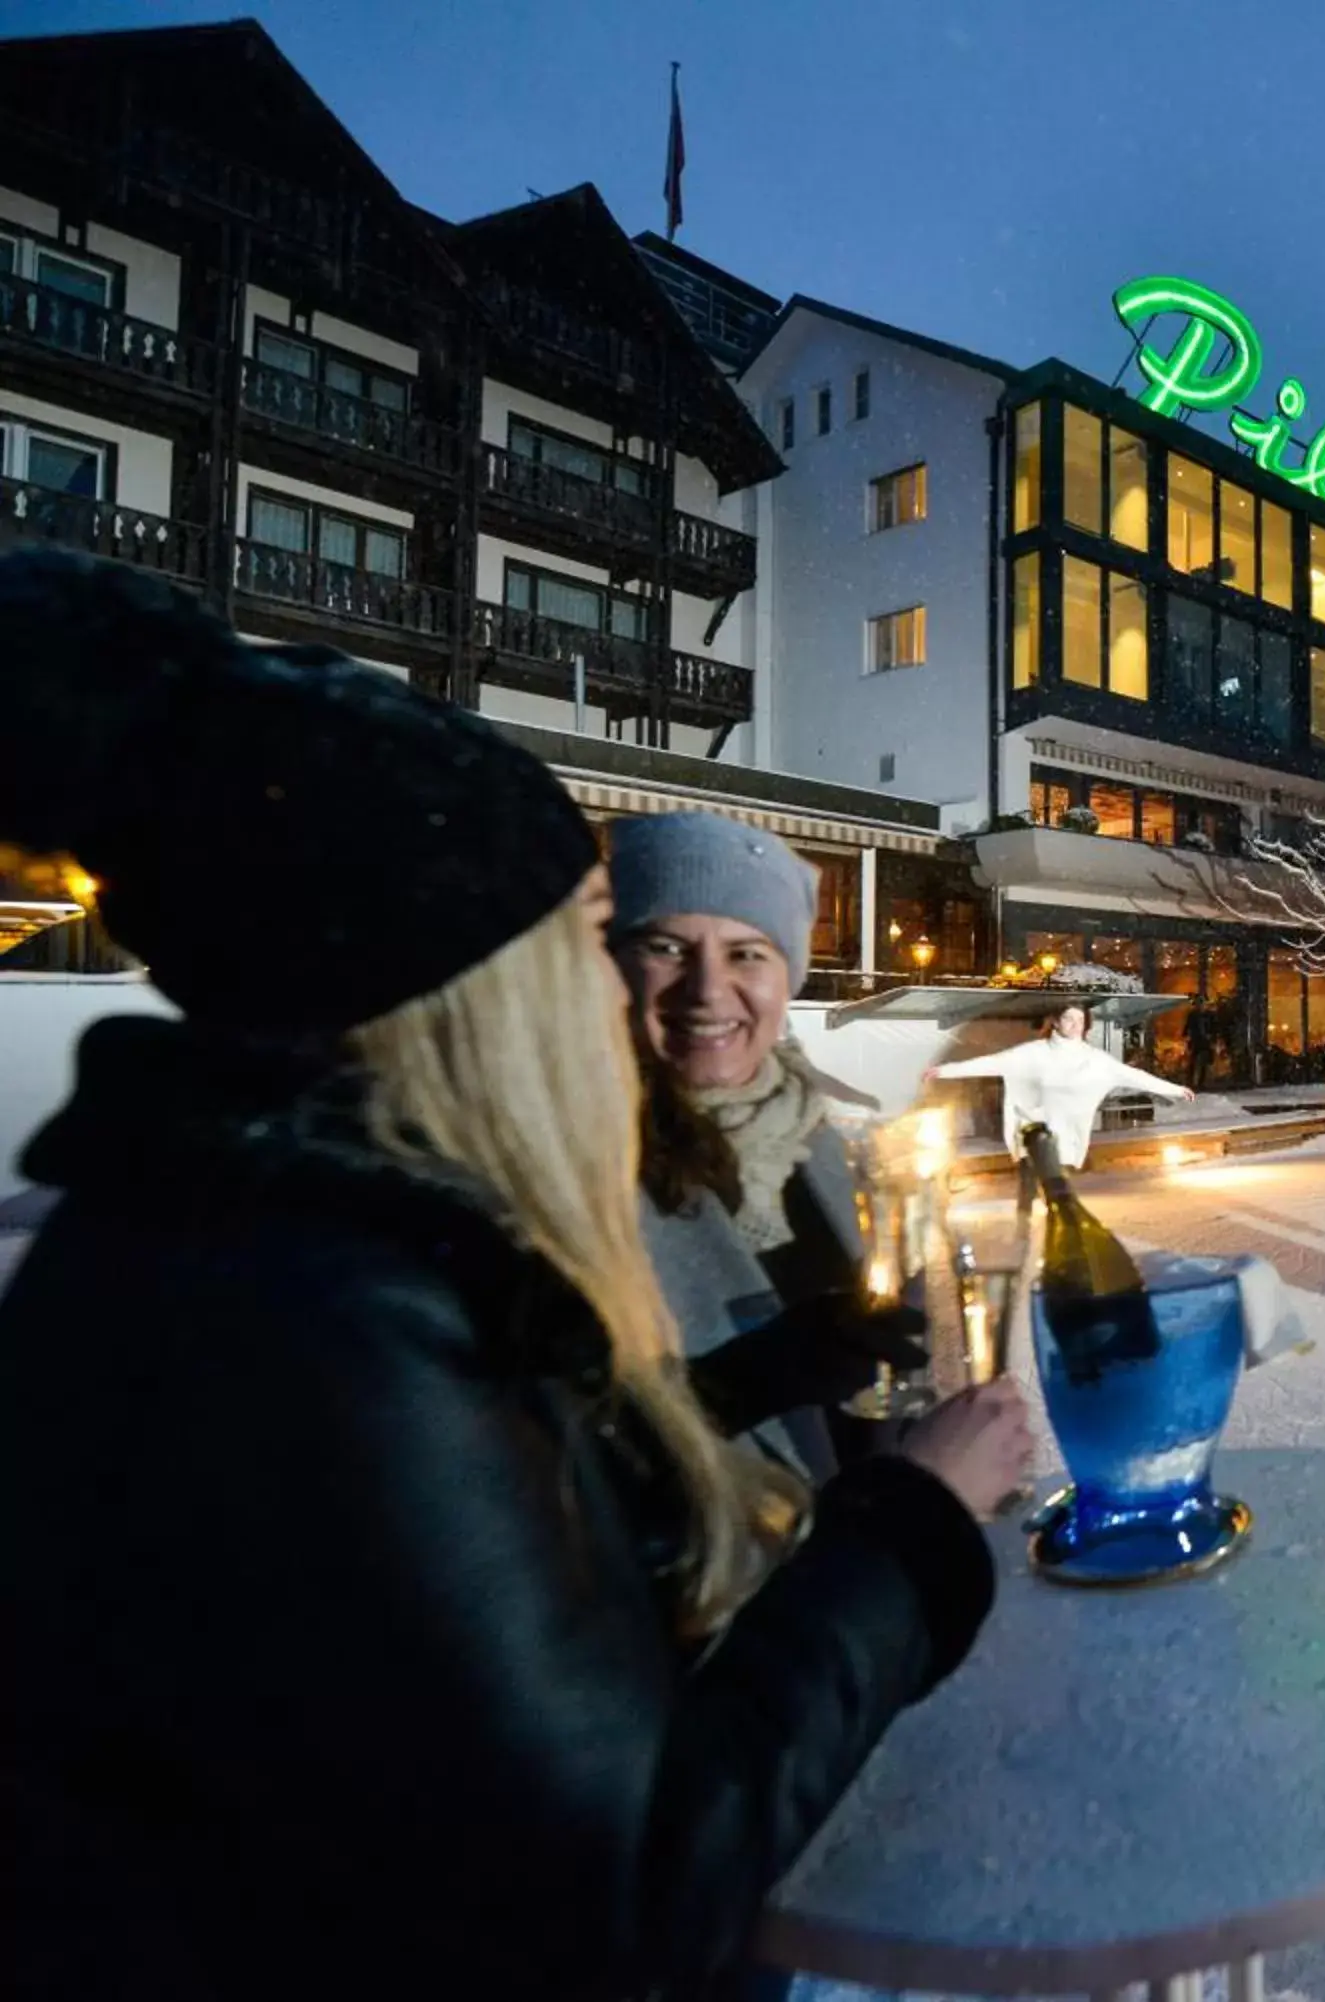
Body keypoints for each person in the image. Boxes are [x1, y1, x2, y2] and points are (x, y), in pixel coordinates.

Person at [0, 550, 1033, 2000]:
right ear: (466, 992)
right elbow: (626, 1879)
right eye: (593, 939)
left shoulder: (301, 1242)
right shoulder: (314, 1317)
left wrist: (796, 1365)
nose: (636, 987)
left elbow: (497, 1539)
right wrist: (916, 1523)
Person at [606, 811, 919, 1476]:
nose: (708, 990)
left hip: (858, 1555)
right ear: (612, 966)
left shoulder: (830, 1138)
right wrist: (747, 1384)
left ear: (788, 976)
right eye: (666, 948)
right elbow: (541, 1458)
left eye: (747, 952)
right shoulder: (571, 1160)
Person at [933, 998, 1194, 1170]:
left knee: (1058, 1197)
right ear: (1056, 1022)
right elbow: (992, 1062)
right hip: (1033, 1137)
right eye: (1069, 1019)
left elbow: (1135, 1076)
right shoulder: (1034, 1052)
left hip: (1068, 1142)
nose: (1075, 1025)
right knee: (1033, 1193)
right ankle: (1027, 1235)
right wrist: (944, 1071)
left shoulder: (1094, 1060)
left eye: (1080, 1020)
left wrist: (1176, 1089)